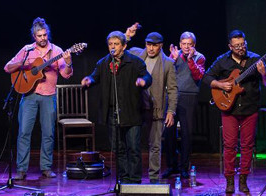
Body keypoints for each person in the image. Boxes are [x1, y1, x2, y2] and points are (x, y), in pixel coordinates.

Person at [203, 30, 266, 193]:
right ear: (230, 46)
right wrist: (220, 85)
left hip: (250, 108)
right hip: (229, 109)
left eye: (243, 44)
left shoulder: (256, 59)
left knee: (247, 146)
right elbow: (206, 78)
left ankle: (243, 180)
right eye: (237, 46)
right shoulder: (222, 60)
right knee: (229, 146)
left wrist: (263, 74)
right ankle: (229, 181)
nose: (241, 48)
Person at [4, 17, 73, 180]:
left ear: (47, 34)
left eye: (44, 35)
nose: (43, 38)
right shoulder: (27, 50)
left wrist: (68, 63)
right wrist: (26, 65)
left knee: (48, 133)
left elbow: (66, 74)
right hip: (28, 95)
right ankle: (21, 169)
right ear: (34, 37)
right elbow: (7, 67)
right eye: (39, 36)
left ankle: (46, 167)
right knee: (24, 133)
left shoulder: (57, 51)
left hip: (48, 96)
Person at [81, 31, 152, 184]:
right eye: (110, 44)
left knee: (133, 148)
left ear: (124, 46)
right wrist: (89, 80)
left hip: (132, 111)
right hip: (113, 113)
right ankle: (124, 178)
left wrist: (143, 81)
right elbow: (95, 76)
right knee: (118, 149)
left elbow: (148, 76)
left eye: (116, 44)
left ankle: (134, 179)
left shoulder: (135, 62)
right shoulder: (103, 63)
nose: (112, 47)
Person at [124, 24, 177, 184]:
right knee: (134, 144)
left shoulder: (167, 63)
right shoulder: (136, 55)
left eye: (154, 45)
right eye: (148, 44)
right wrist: (127, 37)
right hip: (136, 108)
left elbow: (173, 89)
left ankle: (154, 178)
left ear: (160, 46)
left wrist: (171, 111)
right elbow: (118, 52)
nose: (151, 48)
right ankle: (133, 177)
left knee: (155, 145)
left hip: (156, 109)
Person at [164, 31, 206, 180]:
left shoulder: (199, 57)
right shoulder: (175, 55)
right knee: (169, 132)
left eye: (189, 44)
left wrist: (189, 60)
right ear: (180, 43)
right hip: (173, 96)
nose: (186, 47)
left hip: (189, 97)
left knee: (187, 134)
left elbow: (198, 76)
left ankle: (184, 167)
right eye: (184, 44)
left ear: (194, 45)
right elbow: (166, 72)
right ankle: (171, 165)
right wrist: (172, 60)